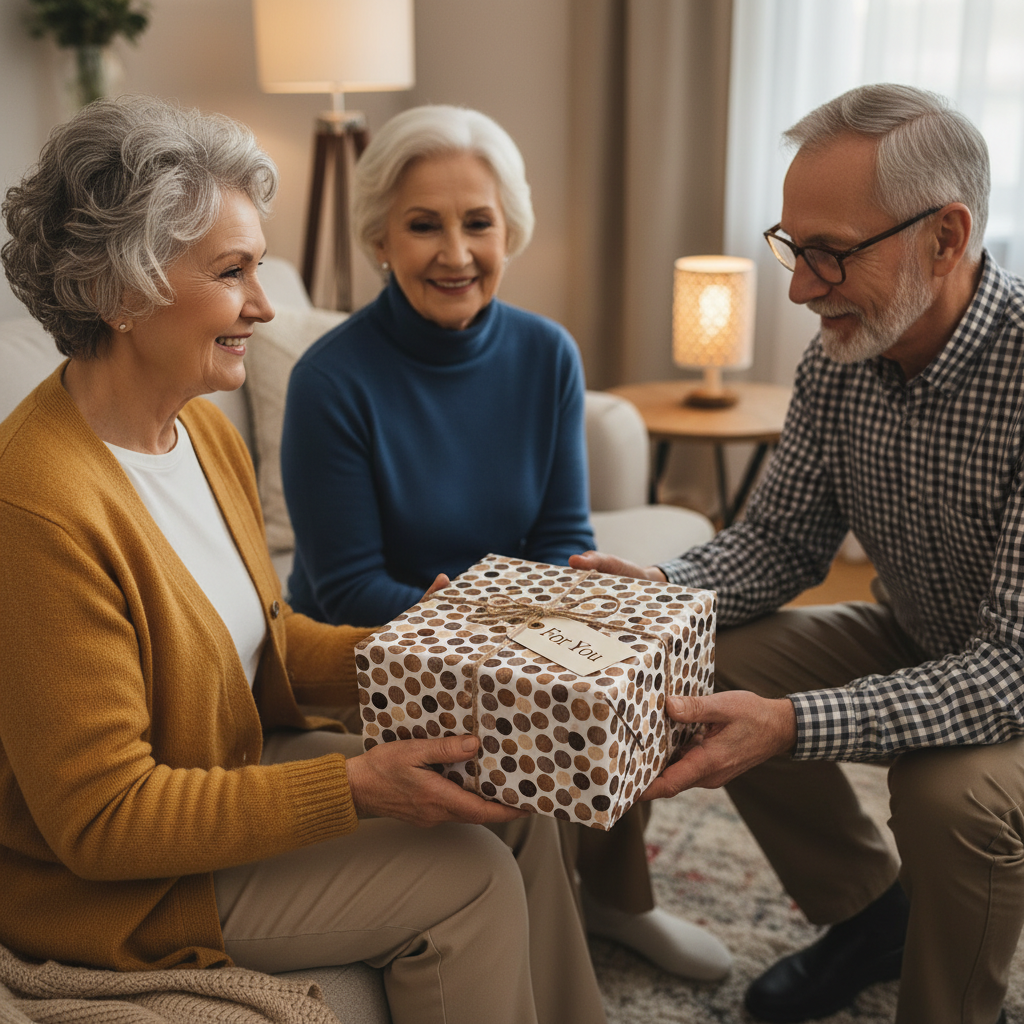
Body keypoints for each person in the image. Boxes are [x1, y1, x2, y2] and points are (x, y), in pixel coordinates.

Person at [0, 94, 608, 1024]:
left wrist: (432, 646)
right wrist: (355, 786)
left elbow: (264, 641)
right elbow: (105, 820)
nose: (264, 304)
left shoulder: (201, 434)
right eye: (232, 271)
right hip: (128, 880)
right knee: (470, 875)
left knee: (509, 798)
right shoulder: (39, 504)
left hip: (234, 758)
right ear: (124, 292)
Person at [572, 82, 1022, 1024]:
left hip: (1013, 678)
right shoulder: (839, 358)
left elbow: (1010, 671)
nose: (799, 288)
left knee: (947, 796)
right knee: (714, 657)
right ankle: (870, 916)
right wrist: (661, 588)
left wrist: (792, 725)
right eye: (793, 246)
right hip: (926, 633)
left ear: (945, 239)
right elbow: (781, 540)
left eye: (830, 253)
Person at [279, 103, 731, 983]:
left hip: (504, 628)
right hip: (384, 652)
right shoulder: (330, 381)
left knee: (624, 677)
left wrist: (561, 648)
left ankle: (619, 900)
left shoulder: (547, 354)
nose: (455, 253)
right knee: (537, 716)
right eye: (424, 225)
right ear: (379, 238)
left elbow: (563, 538)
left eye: (477, 223)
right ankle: (536, 937)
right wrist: (511, 657)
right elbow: (347, 588)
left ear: (509, 230)